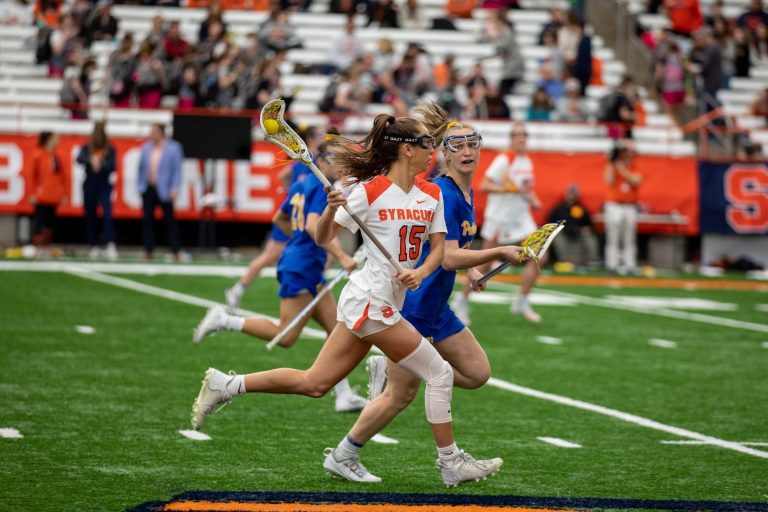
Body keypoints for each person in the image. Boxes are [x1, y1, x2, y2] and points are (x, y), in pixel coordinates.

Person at [190, 114, 503, 487]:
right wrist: (330, 207)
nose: (433, 149)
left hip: (383, 302)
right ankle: (451, 462)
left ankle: (228, 384)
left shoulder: (431, 194)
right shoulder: (368, 192)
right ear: (406, 150)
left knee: (315, 383)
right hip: (370, 301)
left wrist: (419, 273)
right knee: (439, 372)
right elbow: (323, 237)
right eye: (426, 144)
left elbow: (439, 252)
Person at [324, 100, 523, 484]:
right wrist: (498, 251)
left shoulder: (466, 193)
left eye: (472, 144)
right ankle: (348, 453)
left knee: (477, 372)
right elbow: (445, 255)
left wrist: (477, 269)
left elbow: (454, 248)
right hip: (414, 306)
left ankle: (400, 375)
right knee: (400, 396)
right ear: (443, 154)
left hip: (438, 308)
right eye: (456, 145)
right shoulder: (442, 193)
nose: (467, 151)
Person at [192, 139, 368, 413]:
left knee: (336, 330)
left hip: (303, 264)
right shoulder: (321, 188)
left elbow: (279, 219)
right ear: (321, 162)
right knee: (285, 336)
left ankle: (343, 394)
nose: (341, 167)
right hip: (302, 267)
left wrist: (296, 244)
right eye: (336, 160)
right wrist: (342, 256)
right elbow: (311, 225)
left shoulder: (300, 184)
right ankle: (224, 320)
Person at [225, 126, 325, 312]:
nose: (323, 139)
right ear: (311, 139)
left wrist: (292, 191)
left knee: (316, 251)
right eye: (320, 135)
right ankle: (237, 289)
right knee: (270, 256)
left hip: (302, 215)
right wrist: (295, 194)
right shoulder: (311, 160)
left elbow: (284, 176)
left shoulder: (307, 159)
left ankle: (316, 292)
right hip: (299, 218)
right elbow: (285, 177)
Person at [452, 121, 544, 324]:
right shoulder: (505, 159)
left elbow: (526, 188)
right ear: (511, 138)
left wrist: (533, 199)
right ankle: (462, 301)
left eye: (524, 135)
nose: (521, 138)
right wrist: (509, 190)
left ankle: (522, 300)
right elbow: (484, 184)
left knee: (539, 255)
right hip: (500, 218)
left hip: (520, 217)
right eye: (517, 135)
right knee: (484, 265)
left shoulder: (526, 161)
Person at [137, 123, 184, 261]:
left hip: (165, 189)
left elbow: (177, 170)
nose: (151, 134)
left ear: (161, 132)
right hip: (149, 188)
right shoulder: (146, 147)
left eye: (154, 131)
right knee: (147, 221)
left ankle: (175, 250)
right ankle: (148, 250)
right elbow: (141, 168)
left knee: (170, 221)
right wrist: (140, 186)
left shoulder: (173, 148)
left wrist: (175, 188)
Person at [77, 121, 117, 261]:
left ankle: (110, 242)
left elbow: (113, 165)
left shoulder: (110, 149)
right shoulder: (87, 147)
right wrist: (90, 160)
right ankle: (93, 244)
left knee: (107, 213)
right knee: (90, 215)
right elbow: (79, 159)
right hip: (90, 183)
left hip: (104, 184)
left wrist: (102, 162)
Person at [604, 142, 643, 275]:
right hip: (614, 205)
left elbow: (635, 180)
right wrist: (611, 163)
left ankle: (629, 265)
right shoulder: (614, 165)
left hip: (629, 206)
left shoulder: (635, 166)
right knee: (613, 237)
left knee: (629, 238)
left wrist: (620, 166)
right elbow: (609, 180)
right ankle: (611, 264)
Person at [546, 184, 599, 269]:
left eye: (574, 194)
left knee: (589, 237)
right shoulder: (558, 209)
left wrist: (586, 228)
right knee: (558, 237)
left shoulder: (581, 208)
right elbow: (550, 223)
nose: (572, 196)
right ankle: (564, 261)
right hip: (563, 232)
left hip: (578, 233)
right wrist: (557, 229)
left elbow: (589, 224)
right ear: (566, 194)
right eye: (570, 194)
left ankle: (592, 260)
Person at [29, 131, 65, 255]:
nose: (58, 141)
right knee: (39, 222)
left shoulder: (56, 156)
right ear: (48, 140)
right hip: (41, 196)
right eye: (55, 138)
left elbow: (61, 177)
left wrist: (62, 193)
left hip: (53, 196)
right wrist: (33, 193)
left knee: (50, 223)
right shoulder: (38, 155)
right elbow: (32, 176)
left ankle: (46, 247)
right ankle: (37, 246)